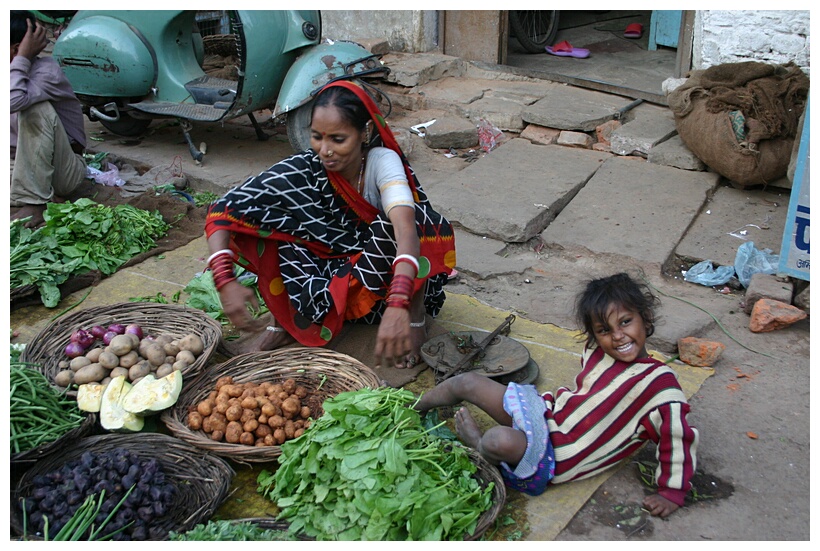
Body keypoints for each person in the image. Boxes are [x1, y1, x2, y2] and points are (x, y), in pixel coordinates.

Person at [205, 80, 456, 369]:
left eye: (338, 139)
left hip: (386, 272)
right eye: (316, 137)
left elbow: (407, 233)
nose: (325, 150)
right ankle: (283, 324)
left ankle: (415, 318)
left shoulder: (382, 163)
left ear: (365, 133)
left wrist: (399, 304)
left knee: (406, 222)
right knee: (279, 226)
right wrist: (224, 280)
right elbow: (224, 209)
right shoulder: (306, 168)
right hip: (332, 271)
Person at [414, 272, 699, 518]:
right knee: (467, 382)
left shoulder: (661, 389)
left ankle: (479, 447)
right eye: (604, 330)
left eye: (626, 322)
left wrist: (671, 492)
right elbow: (584, 395)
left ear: (645, 318)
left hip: (553, 457)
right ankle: (412, 407)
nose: (618, 336)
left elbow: (678, 440)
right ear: (593, 335)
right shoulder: (599, 353)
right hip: (542, 417)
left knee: (496, 439)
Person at [10, 11, 87, 228]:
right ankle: (43, 196)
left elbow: (13, 101)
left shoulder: (46, 71)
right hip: (18, 166)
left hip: (62, 170)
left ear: (17, 48)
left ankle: (35, 201)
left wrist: (22, 59)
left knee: (34, 108)